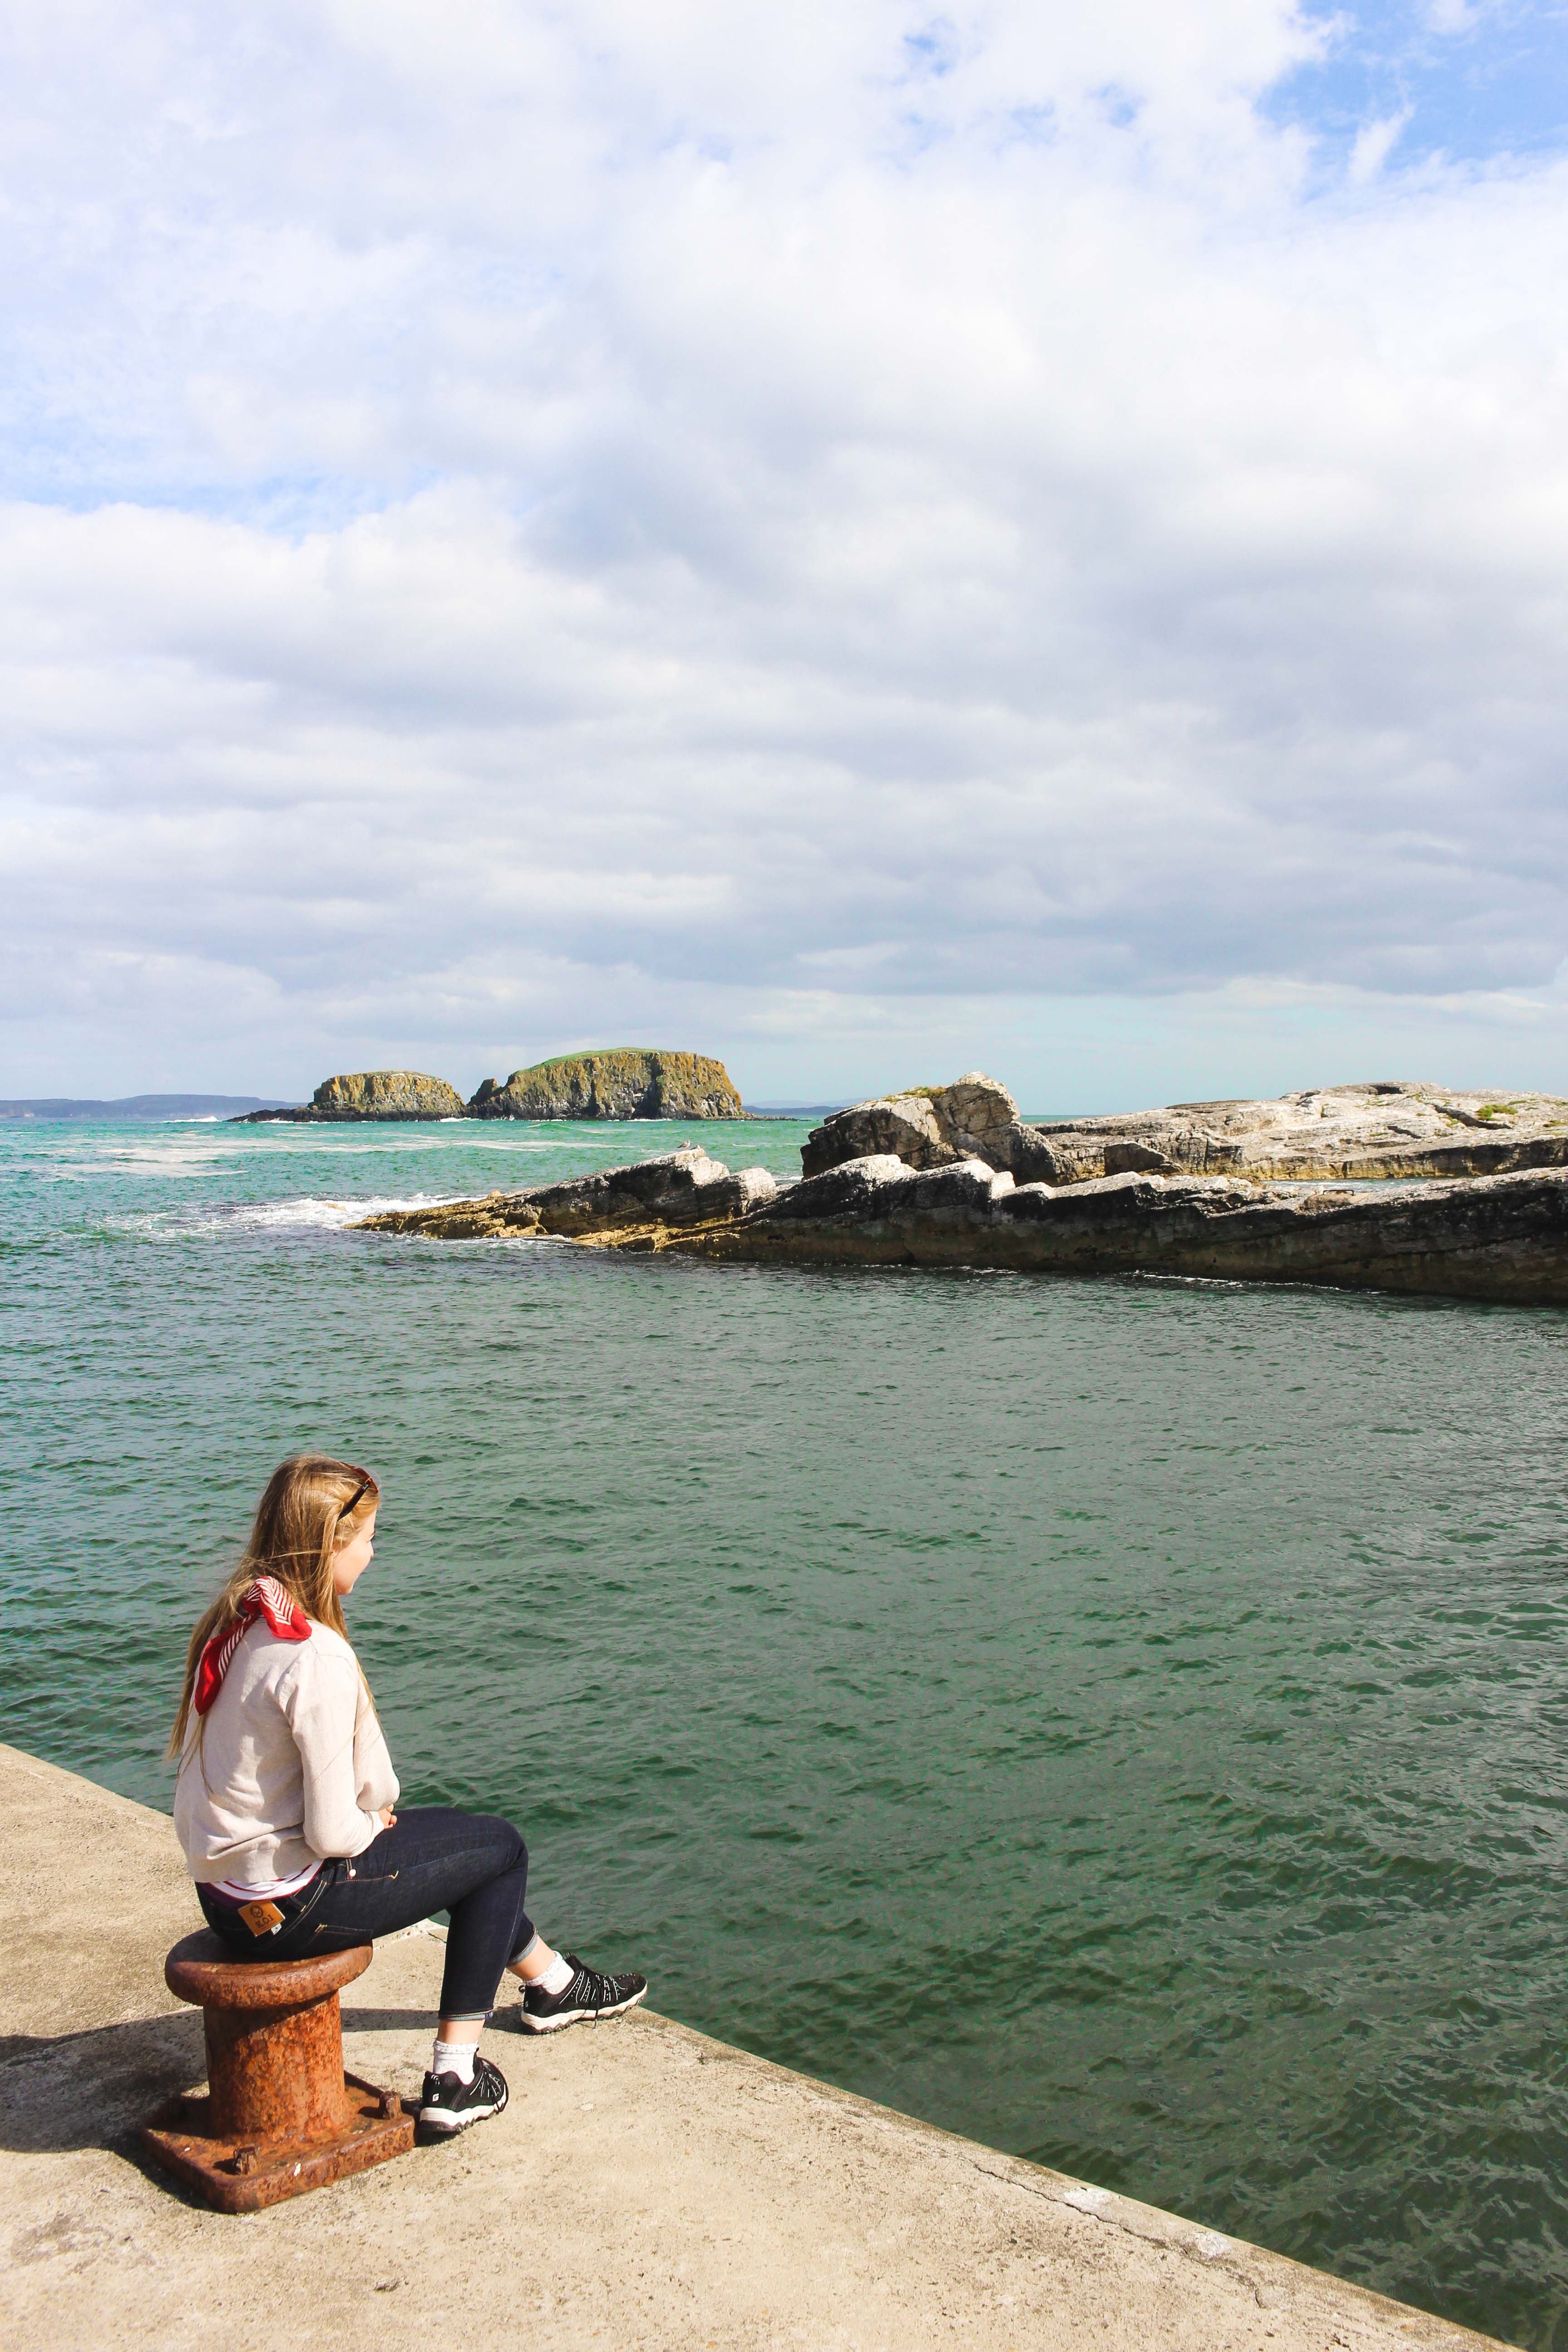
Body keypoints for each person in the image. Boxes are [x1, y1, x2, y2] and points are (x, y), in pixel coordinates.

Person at [171, 1453, 646, 2137]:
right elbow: (339, 1831)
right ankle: (456, 2076)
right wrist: (370, 1823)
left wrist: (370, 1819)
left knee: (459, 1843)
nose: (373, 1552)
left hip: (227, 1901)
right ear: (331, 1543)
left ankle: (552, 1983)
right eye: (367, 1538)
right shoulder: (315, 1656)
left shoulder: (236, 1625)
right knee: (499, 1851)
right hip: (293, 1908)